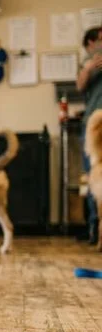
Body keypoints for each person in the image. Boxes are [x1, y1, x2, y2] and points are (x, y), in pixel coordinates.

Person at [78, 26, 102, 244]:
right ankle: (95, 230)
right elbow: (79, 86)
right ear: (90, 44)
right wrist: (88, 68)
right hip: (93, 127)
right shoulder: (86, 62)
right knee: (93, 181)